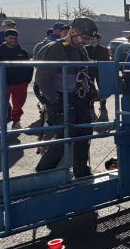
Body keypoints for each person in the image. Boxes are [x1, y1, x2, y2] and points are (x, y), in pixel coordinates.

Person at [34, 17, 96, 178]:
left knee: (85, 133)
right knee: (65, 136)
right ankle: (42, 172)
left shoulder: (81, 50)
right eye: (85, 38)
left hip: (78, 99)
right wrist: (55, 101)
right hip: (61, 100)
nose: (86, 42)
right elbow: (42, 78)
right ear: (73, 32)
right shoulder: (55, 48)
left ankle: (81, 172)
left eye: (89, 40)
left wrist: (91, 90)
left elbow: (83, 72)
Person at [0, 29, 34, 131]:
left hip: (20, 84)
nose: (13, 40)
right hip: (3, 83)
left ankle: (16, 122)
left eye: (15, 38)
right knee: (2, 105)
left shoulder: (23, 52)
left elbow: (29, 67)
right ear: (5, 38)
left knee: (18, 105)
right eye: (11, 38)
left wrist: (26, 81)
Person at [85, 32, 111, 120]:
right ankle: (90, 104)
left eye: (94, 37)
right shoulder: (86, 48)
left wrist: (97, 61)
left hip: (100, 71)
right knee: (89, 87)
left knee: (102, 88)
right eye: (91, 37)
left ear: (98, 39)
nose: (92, 39)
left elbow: (107, 61)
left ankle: (103, 105)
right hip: (89, 71)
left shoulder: (103, 50)